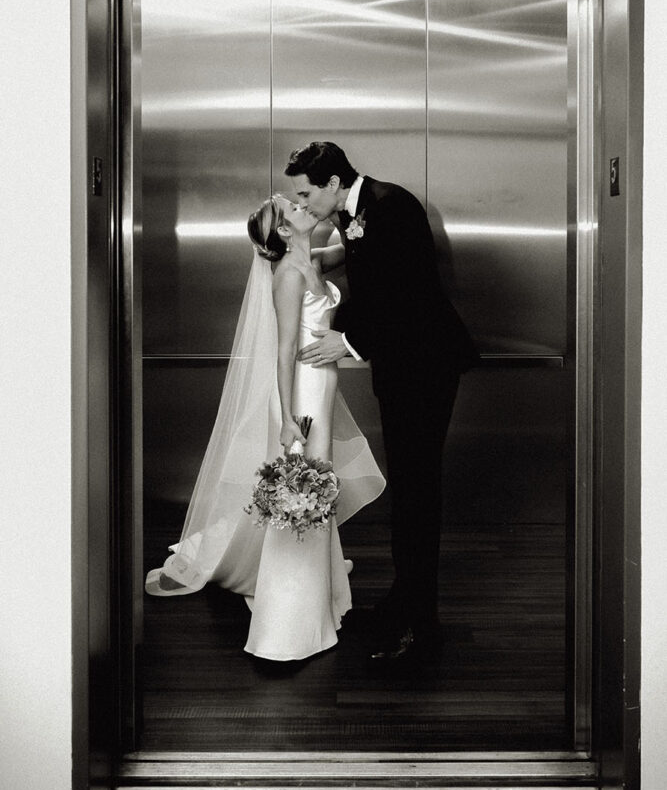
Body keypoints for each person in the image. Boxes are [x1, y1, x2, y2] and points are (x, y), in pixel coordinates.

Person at [145, 193, 385, 661]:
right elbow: (282, 352)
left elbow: (351, 246)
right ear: (283, 232)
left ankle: (323, 590)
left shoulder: (311, 259)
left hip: (322, 387)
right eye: (288, 207)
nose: (298, 203)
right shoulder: (289, 276)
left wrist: (337, 211)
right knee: (306, 486)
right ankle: (289, 621)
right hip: (303, 392)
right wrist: (288, 418)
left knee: (322, 483)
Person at [285, 142, 479, 664]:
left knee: (418, 492)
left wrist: (347, 342)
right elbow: (366, 260)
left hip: (426, 366)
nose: (301, 203)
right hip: (401, 368)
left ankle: (422, 625)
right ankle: (403, 600)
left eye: (305, 193)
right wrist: (313, 255)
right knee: (409, 489)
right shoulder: (357, 209)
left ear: (331, 183)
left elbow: (408, 291)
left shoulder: (392, 205)